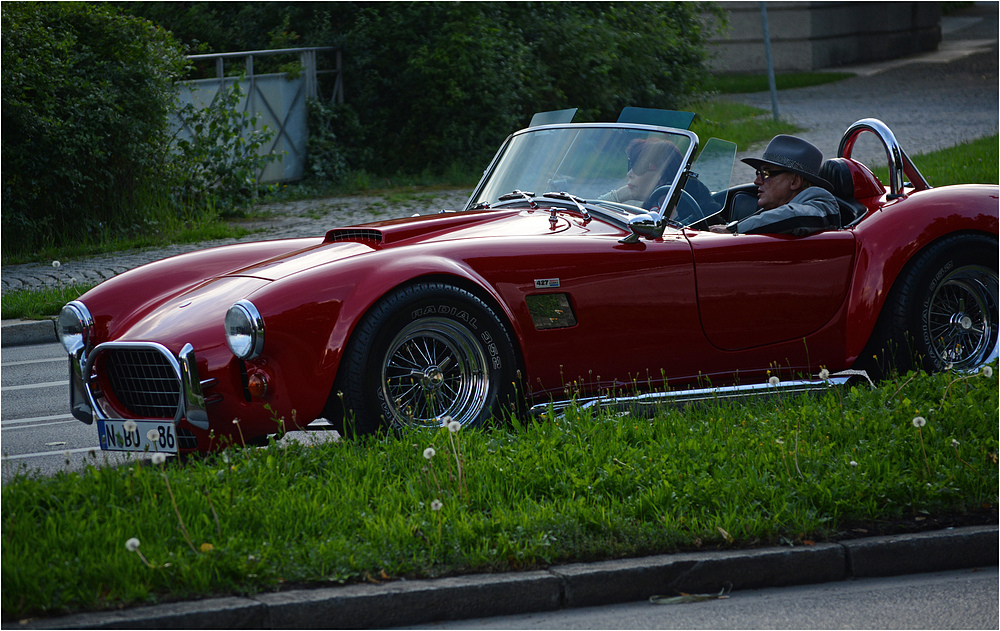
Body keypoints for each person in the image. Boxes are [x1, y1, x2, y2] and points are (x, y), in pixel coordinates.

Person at [710, 135, 839, 236]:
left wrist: (733, 230)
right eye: (758, 172)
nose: (757, 181)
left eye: (766, 173)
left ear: (795, 181)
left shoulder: (821, 205)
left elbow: (795, 217)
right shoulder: (777, 209)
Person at [599, 138, 681, 206]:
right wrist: (618, 196)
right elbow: (590, 211)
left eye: (640, 167)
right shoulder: (651, 207)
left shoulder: (683, 219)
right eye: (631, 165)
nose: (629, 174)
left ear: (663, 176)